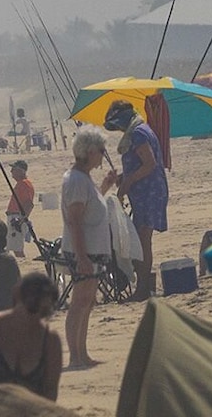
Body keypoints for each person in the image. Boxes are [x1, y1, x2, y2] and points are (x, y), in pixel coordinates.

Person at [60, 127, 116, 369]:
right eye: (101, 151)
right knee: (80, 301)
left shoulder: (84, 179)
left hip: (92, 248)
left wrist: (105, 185)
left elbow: (93, 207)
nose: (103, 155)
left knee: (88, 301)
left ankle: (83, 354)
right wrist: (82, 256)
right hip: (82, 250)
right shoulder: (76, 180)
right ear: (90, 152)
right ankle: (75, 356)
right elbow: (74, 220)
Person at [104, 101, 165, 302]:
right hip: (143, 193)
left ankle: (143, 289)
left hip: (149, 193)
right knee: (140, 239)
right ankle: (144, 285)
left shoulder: (138, 134)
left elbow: (149, 164)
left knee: (142, 240)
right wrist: (124, 176)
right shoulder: (139, 130)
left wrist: (128, 181)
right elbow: (140, 164)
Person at [0, 272, 63, 400]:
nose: (33, 318)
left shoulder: (50, 340)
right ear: (18, 298)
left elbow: (50, 392)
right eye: (32, 308)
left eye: (44, 312)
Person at [4, 160, 36, 259]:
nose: (11, 171)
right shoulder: (21, 184)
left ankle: (23, 263)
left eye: (14, 169)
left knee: (16, 247)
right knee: (12, 245)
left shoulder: (24, 184)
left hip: (17, 218)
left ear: (21, 171)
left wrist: (21, 220)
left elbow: (29, 204)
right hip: (14, 217)